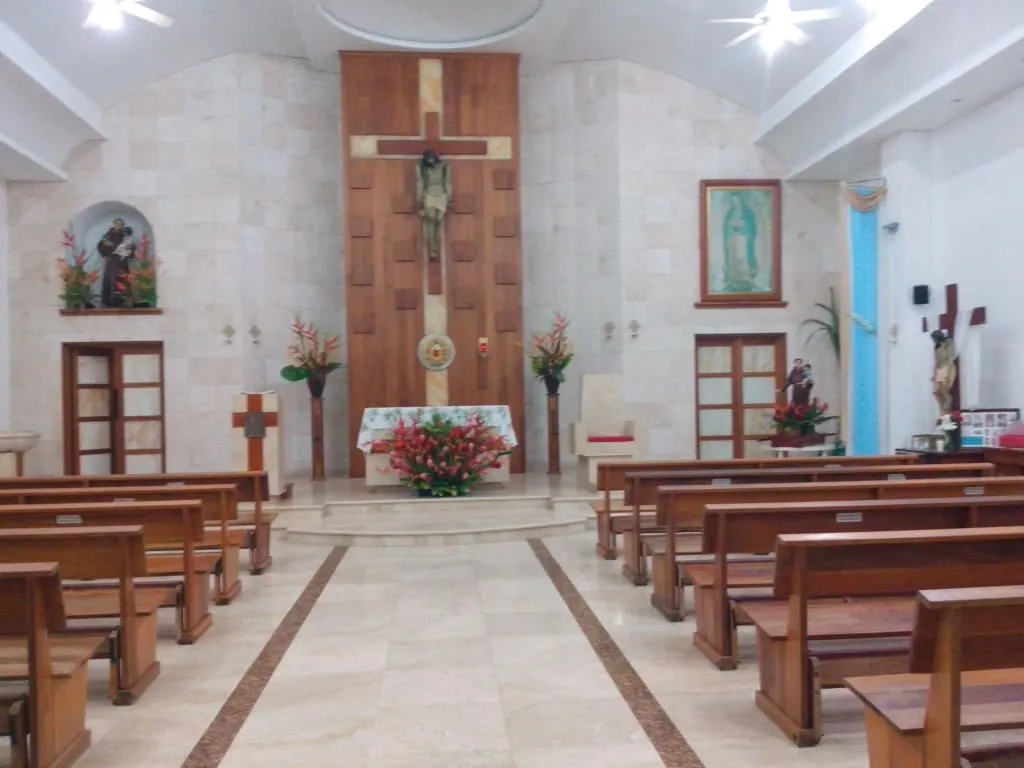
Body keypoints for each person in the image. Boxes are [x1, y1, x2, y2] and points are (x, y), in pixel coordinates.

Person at [416, 149, 452, 260]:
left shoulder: (445, 166)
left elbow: (447, 181)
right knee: (432, 219)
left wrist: (449, 195)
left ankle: (435, 246)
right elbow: (420, 182)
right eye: (428, 159)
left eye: (431, 159)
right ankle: (433, 248)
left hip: (441, 194)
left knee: (438, 220)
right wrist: (419, 196)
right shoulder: (422, 168)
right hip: (429, 193)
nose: (430, 161)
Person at [721, 192, 759, 292]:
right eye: (733, 200)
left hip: (744, 242)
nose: (734, 202)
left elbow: (752, 227)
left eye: (736, 200)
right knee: (733, 258)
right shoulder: (730, 213)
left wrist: (746, 234)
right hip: (733, 242)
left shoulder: (747, 212)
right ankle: (734, 277)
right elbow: (726, 228)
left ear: (740, 200)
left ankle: (745, 277)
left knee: (742, 258)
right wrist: (729, 237)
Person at [98, 218, 127, 307]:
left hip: (122, 262)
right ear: (114, 224)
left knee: (122, 280)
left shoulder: (125, 236)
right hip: (111, 261)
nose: (120, 226)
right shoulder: (108, 235)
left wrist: (128, 250)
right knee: (110, 280)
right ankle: (108, 301)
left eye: (122, 224)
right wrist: (105, 244)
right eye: (118, 224)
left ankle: (122, 301)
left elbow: (130, 247)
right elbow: (100, 246)